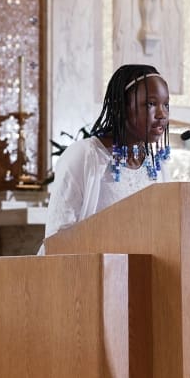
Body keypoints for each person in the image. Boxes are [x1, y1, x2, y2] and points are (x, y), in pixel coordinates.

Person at [41, 64, 171, 250]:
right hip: (86, 273)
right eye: (150, 104)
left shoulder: (157, 167)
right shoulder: (85, 156)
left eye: (166, 104)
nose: (162, 114)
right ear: (121, 106)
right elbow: (58, 238)